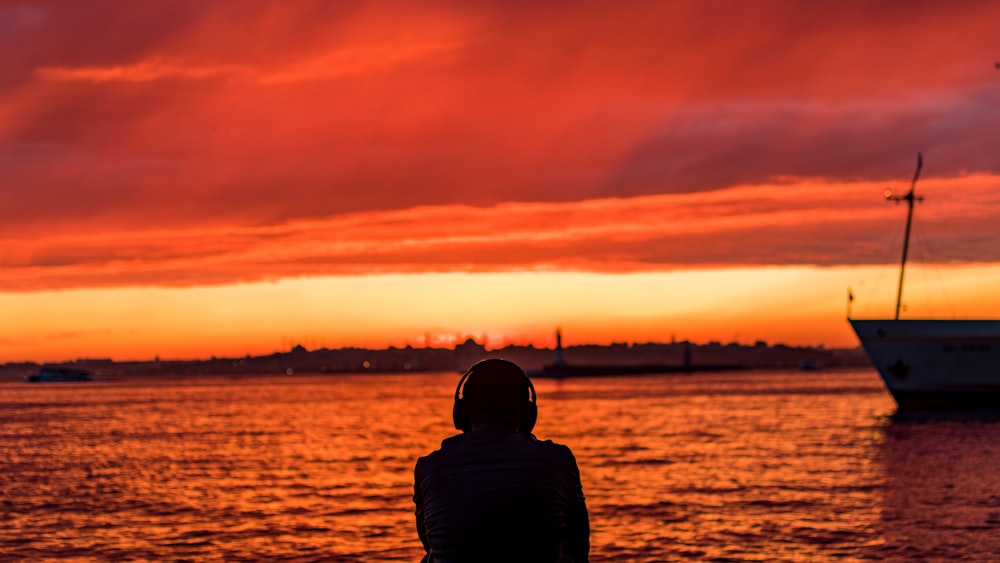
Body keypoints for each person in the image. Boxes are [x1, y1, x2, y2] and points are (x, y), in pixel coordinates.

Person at [413, 358, 590, 563]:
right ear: (529, 412)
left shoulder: (428, 468)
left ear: (461, 411)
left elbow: (431, 544)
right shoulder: (559, 461)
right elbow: (579, 548)